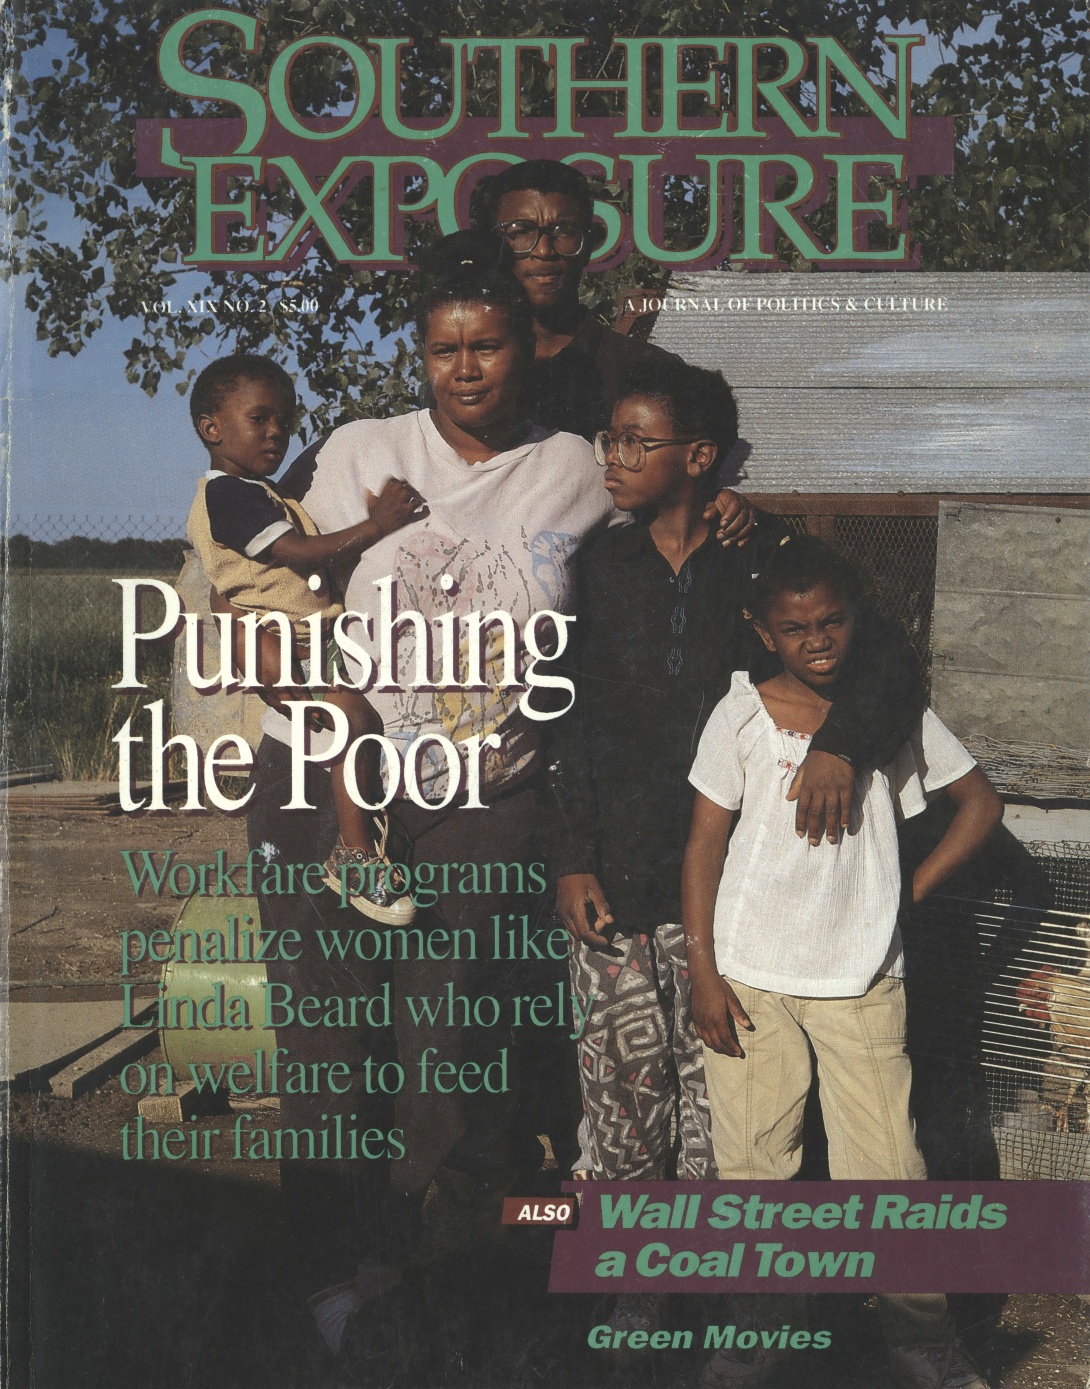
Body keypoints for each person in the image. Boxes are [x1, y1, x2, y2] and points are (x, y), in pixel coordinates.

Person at [547, 360, 927, 1338]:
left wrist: (843, 740)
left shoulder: (758, 567)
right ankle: (635, 1289)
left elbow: (882, 656)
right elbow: (569, 720)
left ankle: (731, 1299)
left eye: (635, 442)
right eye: (610, 440)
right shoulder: (595, 566)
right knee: (625, 1099)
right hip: (620, 879)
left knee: (729, 1118)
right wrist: (571, 854)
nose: (613, 459)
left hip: (739, 897)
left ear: (699, 457)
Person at [682, 535, 1003, 1389]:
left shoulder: (888, 714)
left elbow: (979, 804)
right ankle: (759, 1331)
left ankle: (919, 1338)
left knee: (888, 1166)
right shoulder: (739, 713)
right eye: (796, 627)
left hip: (861, 975)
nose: (818, 639)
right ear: (764, 632)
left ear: (857, 619)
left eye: (833, 621)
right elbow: (704, 847)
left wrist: (909, 895)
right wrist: (704, 971)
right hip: (749, 975)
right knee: (756, 1164)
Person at [186, 354, 422, 923]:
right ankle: (355, 852)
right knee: (351, 724)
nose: (276, 432)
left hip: (303, 634)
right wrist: (378, 526)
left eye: (284, 420)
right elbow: (296, 554)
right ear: (211, 428)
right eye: (259, 418)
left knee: (357, 723)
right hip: (288, 637)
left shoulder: (260, 492)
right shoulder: (229, 496)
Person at [473, 158, 683, 441]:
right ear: (494, 247)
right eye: (521, 232)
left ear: (589, 244)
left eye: (564, 232)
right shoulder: (468, 370)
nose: (544, 251)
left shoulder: (649, 371)